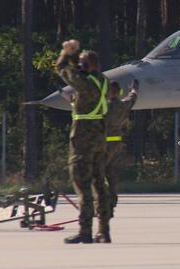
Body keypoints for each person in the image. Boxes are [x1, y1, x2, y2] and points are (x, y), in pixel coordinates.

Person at [55, 39, 109, 244]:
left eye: (81, 64)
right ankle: (104, 230)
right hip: (100, 138)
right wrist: (79, 58)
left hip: (83, 141)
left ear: (86, 67)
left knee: (82, 186)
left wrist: (67, 52)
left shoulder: (84, 83)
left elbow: (61, 69)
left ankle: (85, 231)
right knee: (100, 185)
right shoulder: (102, 80)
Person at [94, 80, 138, 243]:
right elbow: (132, 98)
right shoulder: (124, 105)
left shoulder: (105, 106)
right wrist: (134, 89)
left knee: (98, 178)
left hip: (103, 145)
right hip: (117, 145)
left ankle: (103, 208)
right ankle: (111, 205)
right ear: (119, 92)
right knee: (112, 178)